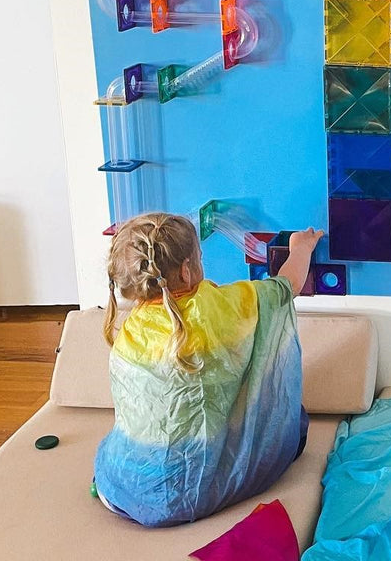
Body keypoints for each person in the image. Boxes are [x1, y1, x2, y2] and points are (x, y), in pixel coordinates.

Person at [93, 213, 322, 527]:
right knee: (294, 421)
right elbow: (286, 287)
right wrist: (301, 247)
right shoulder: (221, 307)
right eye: (200, 257)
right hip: (200, 491)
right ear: (187, 271)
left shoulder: (133, 328)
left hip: (128, 489)